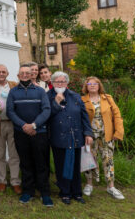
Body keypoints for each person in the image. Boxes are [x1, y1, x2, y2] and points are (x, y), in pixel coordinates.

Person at [6, 63, 53, 207]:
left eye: (28, 73)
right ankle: (28, 191)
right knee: (26, 163)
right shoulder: (13, 92)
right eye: (22, 73)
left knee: (41, 164)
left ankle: (45, 193)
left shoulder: (40, 91)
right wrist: (23, 126)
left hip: (39, 133)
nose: (25, 75)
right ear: (18, 76)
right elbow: (10, 111)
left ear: (32, 75)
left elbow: (46, 110)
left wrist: (34, 125)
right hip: (21, 133)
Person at [48, 71, 94, 205]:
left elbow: (84, 116)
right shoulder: (47, 96)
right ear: (52, 83)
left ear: (67, 83)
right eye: (57, 81)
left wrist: (88, 133)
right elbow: (46, 116)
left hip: (75, 136)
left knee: (75, 166)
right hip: (58, 137)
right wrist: (56, 103)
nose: (60, 84)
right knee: (61, 165)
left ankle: (77, 193)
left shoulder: (75, 96)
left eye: (62, 81)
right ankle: (65, 193)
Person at [81, 76, 125, 200]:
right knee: (89, 159)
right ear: (86, 86)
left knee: (108, 160)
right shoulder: (82, 100)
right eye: (90, 83)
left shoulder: (108, 98)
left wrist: (118, 132)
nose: (93, 85)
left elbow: (117, 115)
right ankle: (89, 184)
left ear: (99, 86)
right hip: (89, 136)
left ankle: (111, 187)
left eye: (95, 83)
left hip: (107, 136)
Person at [0, 64, 21, 194]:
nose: (1, 74)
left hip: (13, 124)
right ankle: (1, 181)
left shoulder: (14, 85)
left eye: (3, 71)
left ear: (7, 73)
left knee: (14, 154)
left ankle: (15, 181)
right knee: (0, 154)